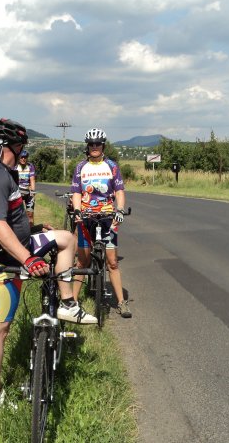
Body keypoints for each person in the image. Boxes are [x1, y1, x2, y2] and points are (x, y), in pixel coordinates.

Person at [0, 118, 96, 413]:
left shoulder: (2, 173)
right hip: (5, 260)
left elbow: (11, 221)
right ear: (15, 146)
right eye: (22, 146)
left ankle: (66, 303)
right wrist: (28, 259)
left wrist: (37, 229)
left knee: (65, 238)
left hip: (17, 248)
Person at [71, 128, 131, 318]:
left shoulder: (112, 166)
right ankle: (72, 302)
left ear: (103, 146)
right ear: (87, 146)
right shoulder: (80, 167)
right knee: (82, 262)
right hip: (86, 216)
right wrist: (77, 210)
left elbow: (119, 191)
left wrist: (120, 210)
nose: (94, 147)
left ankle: (121, 302)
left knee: (112, 262)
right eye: (91, 144)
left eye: (98, 144)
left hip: (108, 217)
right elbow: (76, 192)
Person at [15, 149, 36, 225]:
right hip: (18, 192)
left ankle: (31, 229)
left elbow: (32, 179)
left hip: (27, 191)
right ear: (19, 158)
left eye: (25, 157)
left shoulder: (30, 166)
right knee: (17, 215)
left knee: (30, 214)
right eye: (21, 157)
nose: (23, 159)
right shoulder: (15, 166)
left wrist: (33, 191)